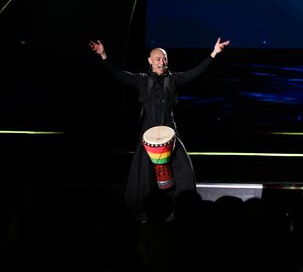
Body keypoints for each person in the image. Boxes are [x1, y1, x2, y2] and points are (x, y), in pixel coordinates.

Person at [89, 37, 229, 216]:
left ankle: (184, 209)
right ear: (150, 61)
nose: (162, 62)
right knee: (143, 177)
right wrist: (103, 55)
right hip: (148, 138)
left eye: (164, 58)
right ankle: (144, 212)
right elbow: (119, 74)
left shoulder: (174, 80)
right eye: (158, 59)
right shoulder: (142, 80)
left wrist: (214, 52)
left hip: (171, 135)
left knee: (185, 171)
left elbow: (196, 72)